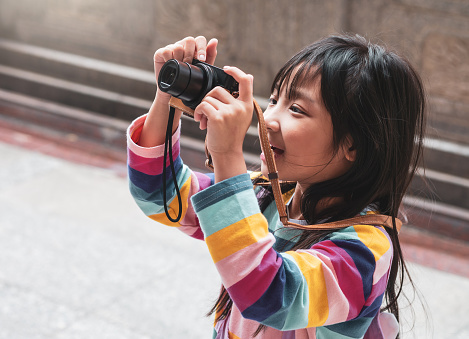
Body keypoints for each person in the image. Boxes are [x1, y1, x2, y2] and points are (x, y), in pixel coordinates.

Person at [127, 34, 425, 338]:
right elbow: (160, 196)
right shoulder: (266, 196)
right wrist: (167, 101)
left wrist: (227, 155)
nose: (267, 119)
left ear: (354, 144)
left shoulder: (365, 250)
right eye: (273, 100)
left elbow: (270, 295)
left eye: (296, 109)